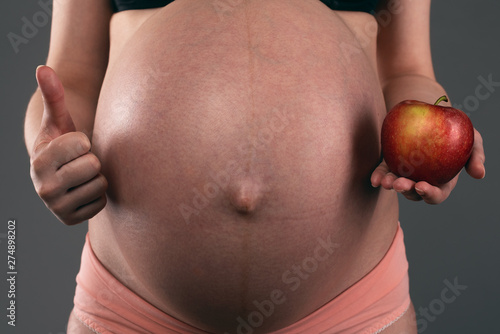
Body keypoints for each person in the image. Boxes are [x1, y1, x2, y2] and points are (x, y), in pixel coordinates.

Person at [24, 0, 486, 333]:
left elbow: (406, 68)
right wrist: (47, 149)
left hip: (349, 302)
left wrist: (435, 145)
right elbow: (73, 75)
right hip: (135, 306)